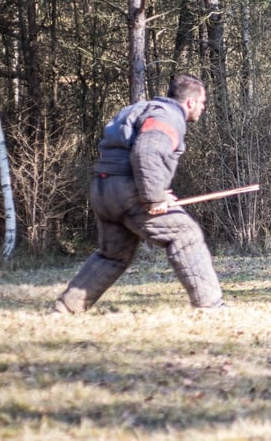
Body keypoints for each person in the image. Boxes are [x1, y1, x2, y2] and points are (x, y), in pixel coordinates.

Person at [54, 73, 225, 313]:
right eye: (203, 103)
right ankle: (211, 306)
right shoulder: (168, 117)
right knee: (186, 234)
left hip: (103, 189)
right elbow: (147, 152)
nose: (203, 108)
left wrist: (158, 192)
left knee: (113, 255)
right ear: (191, 102)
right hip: (129, 191)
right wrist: (153, 197)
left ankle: (64, 310)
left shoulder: (139, 109)